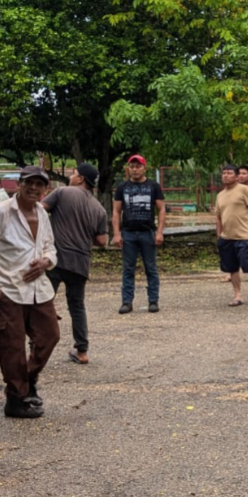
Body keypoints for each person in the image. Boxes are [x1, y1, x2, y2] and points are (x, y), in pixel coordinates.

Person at [0, 166, 60, 419]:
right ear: (19, 185)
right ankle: (15, 398)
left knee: (50, 335)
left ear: (45, 189)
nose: (34, 188)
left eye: (39, 184)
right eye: (29, 183)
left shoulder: (42, 214)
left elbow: (51, 248)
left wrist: (46, 261)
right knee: (11, 345)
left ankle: (27, 379)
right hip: (8, 288)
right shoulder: (1, 212)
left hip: (39, 289)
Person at [44, 163, 109, 365]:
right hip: (80, 262)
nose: (71, 176)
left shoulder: (62, 192)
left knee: (43, 303)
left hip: (56, 259)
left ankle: (36, 348)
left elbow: (39, 210)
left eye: (74, 173)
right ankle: (82, 351)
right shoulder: (99, 208)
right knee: (77, 306)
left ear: (80, 179)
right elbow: (102, 241)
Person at [112, 155, 166, 314]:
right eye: (132, 166)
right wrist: (116, 233)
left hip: (147, 232)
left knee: (151, 268)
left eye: (138, 166)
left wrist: (160, 232)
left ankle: (153, 300)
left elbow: (161, 209)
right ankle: (127, 302)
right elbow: (116, 211)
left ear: (144, 167)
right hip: (128, 233)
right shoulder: (122, 187)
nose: (134, 169)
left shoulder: (153, 186)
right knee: (128, 268)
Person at [215, 164, 248, 307]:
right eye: (224, 173)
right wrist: (219, 235)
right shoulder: (220, 195)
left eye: (229, 173)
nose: (226, 175)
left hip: (244, 236)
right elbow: (218, 217)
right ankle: (237, 295)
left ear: (237, 176)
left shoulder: (244, 190)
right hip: (226, 237)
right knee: (232, 268)